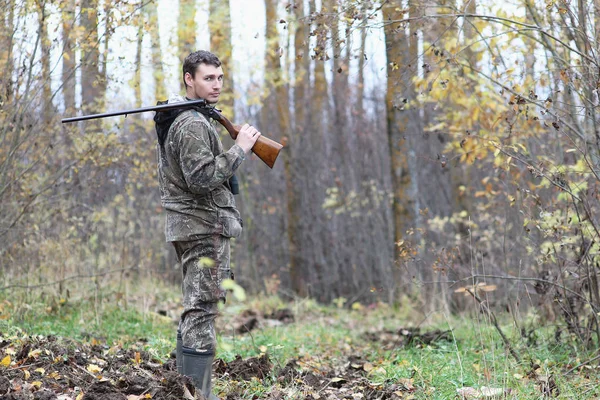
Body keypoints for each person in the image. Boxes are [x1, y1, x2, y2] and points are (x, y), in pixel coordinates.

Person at [154, 50, 261, 399]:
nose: (216, 85)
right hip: (203, 227)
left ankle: (186, 389)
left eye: (219, 78)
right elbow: (200, 179)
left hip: (190, 225)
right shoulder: (194, 124)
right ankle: (199, 394)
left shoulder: (191, 116)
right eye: (207, 78)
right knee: (202, 310)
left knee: (195, 307)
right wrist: (240, 149)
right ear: (189, 79)